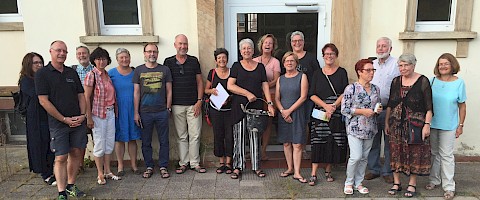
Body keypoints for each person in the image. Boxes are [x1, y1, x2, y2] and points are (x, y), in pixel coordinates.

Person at [35, 40, 87, 199]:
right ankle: (61, 191)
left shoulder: (71, 72)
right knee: (61, 157)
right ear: (51, 51)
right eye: (58, 50)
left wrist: (83, 114)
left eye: (64, 51)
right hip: (58, 123)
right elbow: (43, 101)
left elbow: (81, 95)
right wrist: (64, 119)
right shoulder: (42, 74)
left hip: (77, 121)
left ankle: (71, 184)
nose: (62, 53)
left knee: (76, 152)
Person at [385, 53, 433, 198]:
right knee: (395, 152)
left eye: (406, 65)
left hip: (415, 125)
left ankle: (412, 184)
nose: (403, 68)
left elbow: (429, 107)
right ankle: (397, 183)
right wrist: (387, 122)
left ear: (413, 65)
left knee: (414, 153)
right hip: (396, 124)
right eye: (400, 65)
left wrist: (427, 125)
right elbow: (390, 104)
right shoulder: (395, 81)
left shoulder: (423, 81)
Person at [227, 38, 275, 179]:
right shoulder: (236, 66)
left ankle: (256, 166)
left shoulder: (260, 67)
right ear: (240, 51)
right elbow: (230, 86)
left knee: (255, 137)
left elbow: (265, 85)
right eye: (244, 48)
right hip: (239, 107)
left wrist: (270, 103)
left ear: (253, 51)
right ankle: (238, 167)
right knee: (239, 138)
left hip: (256, 108)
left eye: (249, 48)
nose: (247, 50)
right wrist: (247, 93)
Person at [426, 53, 467, 200]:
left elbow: (462, 106)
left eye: (446, 64)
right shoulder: (431, 81)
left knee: (447, 156)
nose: (442, 66)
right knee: (434, 153)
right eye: (440, 64)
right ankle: (434, 180)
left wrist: (461, 125)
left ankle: (449, 187)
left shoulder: (459, 83)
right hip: (432, 124)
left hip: (449, 125)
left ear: (452, 65)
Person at [163, 34, 206, 174]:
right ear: (175, 45)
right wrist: (168, 106)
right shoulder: (168, 62)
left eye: (185, 44)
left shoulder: (194, 61)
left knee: (195, 135)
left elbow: (200, 82)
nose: (183, 46)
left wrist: (199, 101)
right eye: (180, 44)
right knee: (181, 136)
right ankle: (183, 163)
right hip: (176, 105)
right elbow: (167, 85)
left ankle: (195, 163)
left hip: (194, 104)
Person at [308, 43, 348, 186]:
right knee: (317, 141)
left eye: (332, 54)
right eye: (326, 54)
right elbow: (311, 94)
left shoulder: (342, 72)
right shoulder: (318, 73)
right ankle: (313, 173)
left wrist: (333, 107)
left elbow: (345, 92)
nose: (329, 56)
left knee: (332, 141)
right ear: (323, 56)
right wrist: (325, 106)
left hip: (336, 113)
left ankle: (328, 170)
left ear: (336, 55)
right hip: (320, 113)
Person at [341, 59, 381, 195]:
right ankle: (349, 182)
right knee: (356, 156)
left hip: (370, 127)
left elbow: (377, 104)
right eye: (368, 70)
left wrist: (377, 110)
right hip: (355, 128)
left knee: (364, 157)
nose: (371, 73)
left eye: (373, 70)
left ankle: (359, 182)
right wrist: (362, 111)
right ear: (359, 72)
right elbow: (344, 109)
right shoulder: (351, 88)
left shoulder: (376, 88)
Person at [133, 43, 173, 179]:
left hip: (162, 111)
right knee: (146, 141)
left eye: (154, 52)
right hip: (145, 112)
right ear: (144, 53)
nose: (152, 54)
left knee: (164, 141)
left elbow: (169, 90)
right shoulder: (138, 70)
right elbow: (136, 93)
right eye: (149, 52)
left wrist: (168, 108)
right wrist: (136, 113)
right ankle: (149, 166)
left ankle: (163, 166)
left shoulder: (165, 70)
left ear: (157, 53)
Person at [84, 47, 121, 185]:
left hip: (110, 112)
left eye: (104, 58)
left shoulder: (107, 75)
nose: (101, 61)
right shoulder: (91, 75)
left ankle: (108, 170)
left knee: (109, 142)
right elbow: (87, 97)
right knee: (99, 143)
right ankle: (100, 173)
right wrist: (89, 117)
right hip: (98, 114)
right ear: (94, 60)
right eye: (99, 59)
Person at [365, 37, 399, 184]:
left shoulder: (396, 65)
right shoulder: (371, 65)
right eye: (378, 46)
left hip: (389, 109)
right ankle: (374, 169)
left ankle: (387, 171)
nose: (380, 48)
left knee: (389, 142)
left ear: (390, 49)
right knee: (373, 141)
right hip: (372, 110)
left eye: (384, 46)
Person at [19, 52, 56, 186]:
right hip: (35, 118)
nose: (39, 65)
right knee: (40, 144)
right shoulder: (26, 80)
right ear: (29, 64)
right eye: (36, 63)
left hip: (48, 115)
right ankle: (45, 173)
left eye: (40, 62)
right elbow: (37, 95)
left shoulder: (43, 77)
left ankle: (52, 170)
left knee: (50, 144)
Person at [275, 52, 308, 183]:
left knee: (297, 144)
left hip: (297, 113)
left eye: (292, 61)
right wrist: (283, 111)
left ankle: (297, 172)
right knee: (286, 143)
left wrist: (289, 111)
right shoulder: (280, 79)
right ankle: (289, 168)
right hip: (283, 113)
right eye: (287, 61)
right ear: (283, 63)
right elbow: (277, 98)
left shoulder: (302, 76)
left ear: (296, 63)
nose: (289, 63)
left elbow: (303, 97)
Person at [108, 48, 142, 176]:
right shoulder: (111, 73)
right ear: (117, 59)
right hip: (118, 109)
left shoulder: (135, 72)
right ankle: (120, 166)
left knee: (132, 138)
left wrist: (137, 111)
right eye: (121, 57)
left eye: (126, 57)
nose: (124, 60)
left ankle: (134, 165)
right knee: (120, 139)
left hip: (133, 108)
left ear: (130, 58)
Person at [290, 31, 321, 160]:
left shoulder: (311, 58)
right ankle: (293, 148)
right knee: (291, 124)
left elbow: (317, 77)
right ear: (291, 43)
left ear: (303, 42)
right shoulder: (289, 57)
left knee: (305, 123)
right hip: (290, 97)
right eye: (294, 41)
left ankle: (302, 148)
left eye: (299, 40)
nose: (297, 43)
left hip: (307, 98)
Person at [204, 48, 233, 174]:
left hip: (230, 109)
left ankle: (229, 163)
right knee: (218, 135)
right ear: (216, 60)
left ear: (227, 58)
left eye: (224, 57)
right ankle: (221, 162)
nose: (222, 60)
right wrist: (213, 91)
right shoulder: (212, 73)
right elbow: (206, 90)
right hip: (216, 110)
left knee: (230, 136)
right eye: (219, 58)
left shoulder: (233, 72)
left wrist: (229, 98)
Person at [253, 34, 281, 160]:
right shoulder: (254, 60)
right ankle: (255, 150)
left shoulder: (275, 62)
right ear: (261, 45)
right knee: (256, 124)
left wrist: (264, 86)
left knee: (267, 124)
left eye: (270, 43)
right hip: (257, 96)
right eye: (266, 43)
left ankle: (263, 151)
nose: (268, 45)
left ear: (273, 46)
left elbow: (276, 80)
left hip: (271, 95)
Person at [72, 46, 94, 174]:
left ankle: (99, 164)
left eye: (84, 53)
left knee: (97, 138)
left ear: (89, 55)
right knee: (80, 139)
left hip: (94, 108)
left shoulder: (95, 70)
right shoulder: (71, 70)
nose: (82, 56)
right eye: (79, 53)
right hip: (77, 108)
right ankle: (79, 164)